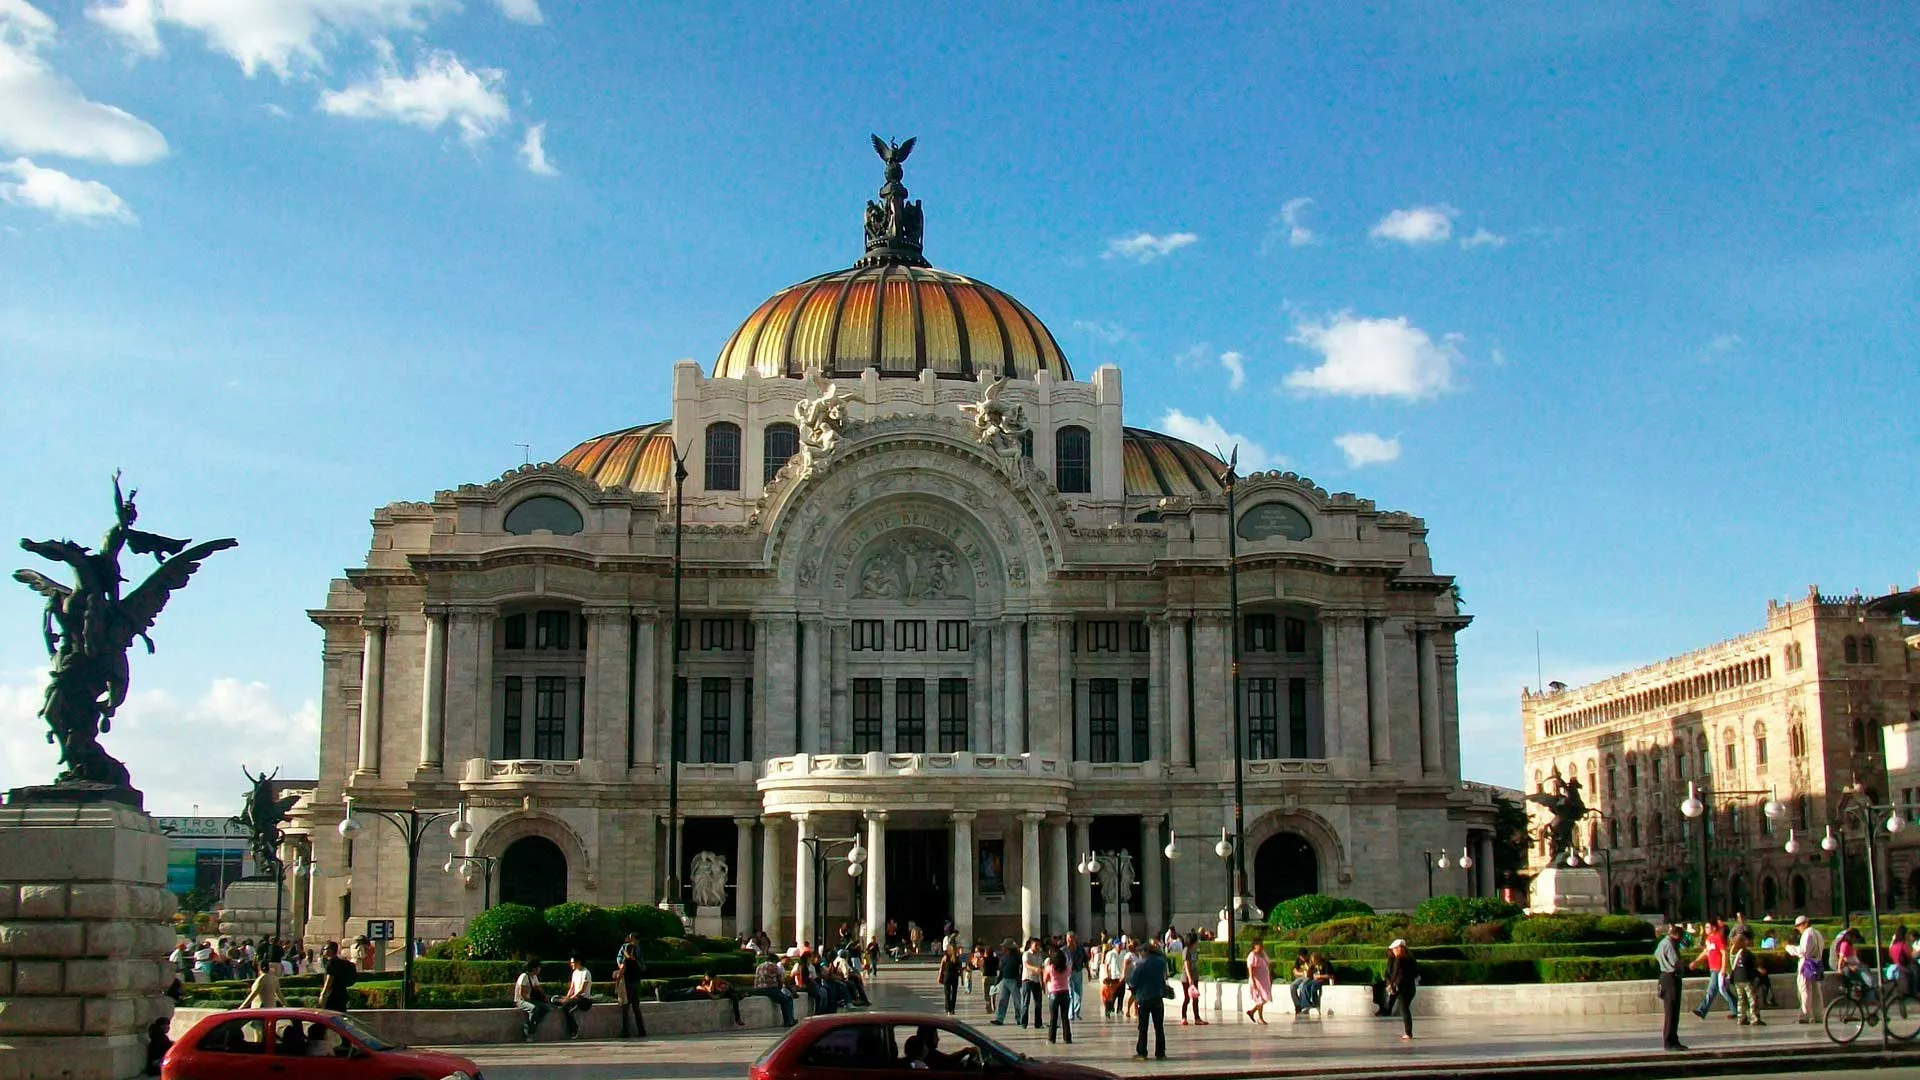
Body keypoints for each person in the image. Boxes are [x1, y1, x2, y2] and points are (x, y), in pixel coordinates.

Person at [1126, 941, 1168, 1061]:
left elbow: (1133, 981)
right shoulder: (1161, 962)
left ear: (1146, 952)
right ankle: (1160, 1052)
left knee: (1143, 1027)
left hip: (1144, 998)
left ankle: (1142, 1052)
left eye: (1140, 952)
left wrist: (1129, 974)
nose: (1139, 954)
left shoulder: (1141, 965)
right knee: (1159, 1027)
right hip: (1158, 997)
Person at [1690, 919, 1737, 1021]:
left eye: (1708, 927)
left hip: (1718, 968)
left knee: (1713, 990)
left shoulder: (1718, 938)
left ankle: (1702, 1010)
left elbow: (1724, 953)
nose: (1706, 929)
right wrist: (1696, 961)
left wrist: (1723, 968)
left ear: (1714, 928)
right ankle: (1737, 1009)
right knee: (1723, 990)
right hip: (1713, 968)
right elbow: (1706, 952)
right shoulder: (1709, 939)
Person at [1786, 915, 1826, 1025]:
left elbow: (1802, 951)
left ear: (1805, 923)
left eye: (1799, 926)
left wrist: (1789, 948)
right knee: (1816, 991)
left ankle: (1806, 1015)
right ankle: (1818, 1015)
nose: (1798, 928)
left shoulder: (1807, 934)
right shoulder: (1817, 933)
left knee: (1804, 991)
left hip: (1807, 965)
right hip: (1817, 964)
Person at [1655, 924, 1688, 1051]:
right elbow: (1675, 961)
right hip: (1671, 978)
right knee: (1672, 1012)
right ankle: (1670, 1041)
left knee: (1670, 1011)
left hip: (1664, 976)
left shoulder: (1662, 943)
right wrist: (1684, 967)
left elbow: (1656, 954)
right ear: (1678, 935)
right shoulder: (1670, 944)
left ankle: (1673, 1039)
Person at [1384, 939, 1419, 1041]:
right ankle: (1408, 1032)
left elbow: (1395, 973)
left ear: (1400, 949)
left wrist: (1391, 984)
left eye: (1395, 949)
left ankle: (1408, 1033)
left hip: (1403, 987)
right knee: (1405, 1008)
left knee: (1404, 1009)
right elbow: (1415, 972)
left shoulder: (1399, 959)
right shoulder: (1411, 959)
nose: (1393, 951)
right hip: (1410, 987)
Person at [1727, 932, 1764, 1026]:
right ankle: (1754, 1018)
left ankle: (1741, 1018)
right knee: (1752, 999)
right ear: (1742, 942)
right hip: (1746, 979)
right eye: (1745, 940)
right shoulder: (1747, 953)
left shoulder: (1733, 952)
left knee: (1741, 999)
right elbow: (1753, 966)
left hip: (1737, 979)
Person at [614, 934, 648, 1037]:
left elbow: (620, 973)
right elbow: (643, 968)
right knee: (636, 1008)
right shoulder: (637, 962)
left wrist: (616, 987)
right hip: (636, 984)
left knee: (625, 1008)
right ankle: (642, 1031)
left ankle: (625, 1031)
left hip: (627, 985)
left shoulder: (625, 962)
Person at [753, 952, 795, 1027]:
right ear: (775, 961)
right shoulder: (774, 966)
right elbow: (780, 980)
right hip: (769, 989)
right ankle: (789, 1021)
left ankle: (789, 1020)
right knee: (787, 1000)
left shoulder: (759, 966)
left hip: (758, 989)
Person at [513, 959, 551, 1042]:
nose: (540, 969)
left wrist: (545, 997)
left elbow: (539, 989)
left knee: (547, 1008)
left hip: (529, 1000)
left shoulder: (534, 977)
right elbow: (521, 994)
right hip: (520, 1000)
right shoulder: (524, 976)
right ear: (534, 969)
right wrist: (530, 1001)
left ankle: (532, 1024)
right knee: (534, 1008)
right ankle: (529, 1032)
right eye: (539, 967)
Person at [559, 956, 594, 1040]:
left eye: (572, 962)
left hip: (583, 999)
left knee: (567, 1008)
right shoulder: (575, 973)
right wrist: (567, 997)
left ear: (578, 962)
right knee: (561, 1003)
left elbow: (582, 990)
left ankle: (574, 1030)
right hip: (575, 997)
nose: (571, 964)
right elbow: (572, 988)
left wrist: (570, 998)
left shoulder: (586, 973)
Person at [1044, 947, 1073, 1044]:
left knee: (1053, 1018)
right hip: (1065, 993)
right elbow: (1068, 975)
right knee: (1065, 1017)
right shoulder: (1067, 968)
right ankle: (1067, 1038)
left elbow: (1045, 979)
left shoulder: (1050, 968)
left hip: (1054, 994)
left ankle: (1051, 1038)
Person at [318, 941, 355, 1013]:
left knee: (329, 1017)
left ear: (331, 950)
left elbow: (329, 980)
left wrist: (323, 995)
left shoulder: (331, 962)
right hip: (342, 994)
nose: (323, 951)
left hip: (332, 995)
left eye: (325, 949)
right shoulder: (341, 962)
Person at [1178, 932, 1205, 1024]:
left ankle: (1197, 1018)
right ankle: (1183, 1017)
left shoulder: (1194, 950)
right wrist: (1190, 978)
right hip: (1186, 977)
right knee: (1187, 998)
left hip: (1194, 976)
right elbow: (1187, 964)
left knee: (1195, 998)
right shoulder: (1186, 950)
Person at [1021, 938, 1046, 1030]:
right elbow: (1026, 965)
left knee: (1038, 1003)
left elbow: (1042, 968)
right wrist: (1035, 969)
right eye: (1036, 945)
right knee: (1025, 1002)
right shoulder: (1026, 954)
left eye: (1038, 945)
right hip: (1027, 979)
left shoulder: (1039, 955)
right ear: (1031, 945)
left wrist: (1043, 984)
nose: (1037, 947)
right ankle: (1024, 1022)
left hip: (1036, 981)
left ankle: (1038, 1023)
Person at [1245, 941, 1272, 1024]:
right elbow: (1250, 968)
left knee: (1265, 998)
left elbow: (1269, 962)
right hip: (1258, 981)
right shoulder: (1252, 955)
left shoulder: (1262, 954)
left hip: (1264, 980)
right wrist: (1253, 981)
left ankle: (1252, 1012)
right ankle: (1260, 1017)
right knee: (1260, 999)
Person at [938, 945, 964, 1015]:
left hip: (947, 976)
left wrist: (939, 977)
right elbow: (961, 970)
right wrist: (962, 980)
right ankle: (952, 1009)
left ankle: (947, 1010)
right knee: (954, 994)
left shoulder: (945, 957)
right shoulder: (957, 958)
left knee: (947, 994)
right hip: (955, 977)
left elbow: (941, 969)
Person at [1288, 949, 1313, 1015]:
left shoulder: (1311, 960)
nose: (1302, 958)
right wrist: (1302, 973)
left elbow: (1310, 973)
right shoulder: (1298, 960)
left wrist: (1307, 966)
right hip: (1301, 977)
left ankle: (1303, 1004)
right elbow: (1295, 971)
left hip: (1309, 977)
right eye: (1301, 956)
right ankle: (1297, 1005)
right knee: (1292, 986)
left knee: (1302, 986)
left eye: (1304, 956)